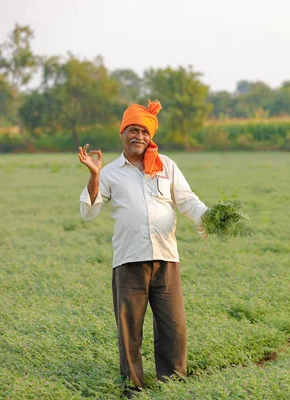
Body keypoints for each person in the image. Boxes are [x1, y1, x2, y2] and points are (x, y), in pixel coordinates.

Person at [77, 100, 208, 393]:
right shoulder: (109, 172)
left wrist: (210, 218)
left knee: (174, 328)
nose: (139, 137)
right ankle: (134, 388)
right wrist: (94, 174)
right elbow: (88, 211)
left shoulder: (166, 166)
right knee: (130, 330)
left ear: (151, 136)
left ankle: (172, 385)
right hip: (129, 260)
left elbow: (187, 200)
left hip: (166, 257)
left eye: (144, 132)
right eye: (133, 130)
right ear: (122, 134)